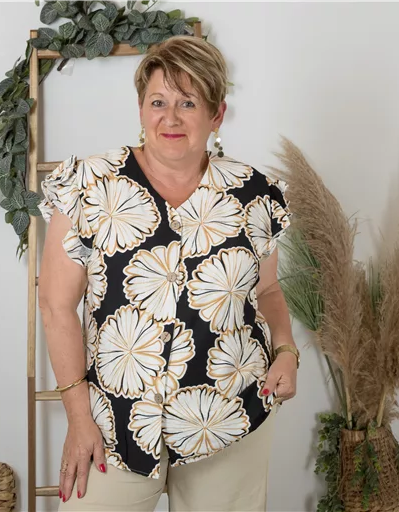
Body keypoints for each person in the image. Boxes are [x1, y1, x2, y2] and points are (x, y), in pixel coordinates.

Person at [38, 34, 299, 512]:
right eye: (158, 101)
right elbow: (56, 306)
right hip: (112, 424)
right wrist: (77, 417)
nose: (171, 118)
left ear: (217, 115)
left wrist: (286, 350)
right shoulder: (89, 187)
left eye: (188, 102)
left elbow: (267, 291)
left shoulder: (254, 195)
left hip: (230, 416)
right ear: (141, 109)